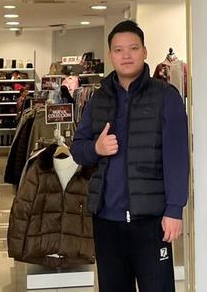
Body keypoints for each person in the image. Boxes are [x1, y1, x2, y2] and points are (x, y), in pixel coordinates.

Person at [72, 20, 189, 292]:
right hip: (106, 220)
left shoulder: (165, 96)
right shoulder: (98, 99)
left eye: (133, 48)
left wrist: (174, 210)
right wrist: (96, 149)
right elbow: (78, 149)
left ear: (145, 52)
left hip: (151, 221)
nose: (126, 55)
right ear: (111, 55)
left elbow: (177, 158)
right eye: (118, 50)